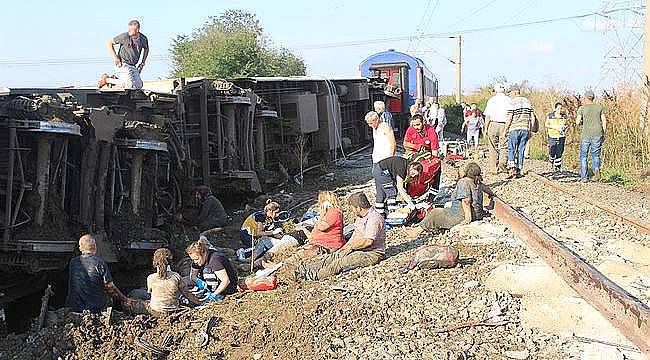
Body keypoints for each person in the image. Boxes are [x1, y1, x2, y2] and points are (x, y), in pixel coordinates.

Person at [296, 192, 385, 281]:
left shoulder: (374, 218)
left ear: (358, 208)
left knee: (339, 264)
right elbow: (355, 236)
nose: (352, 211)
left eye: (353, 208)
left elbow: (368, 241)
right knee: (334, 256)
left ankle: (310, 276)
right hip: (358, 248)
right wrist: (344, 248)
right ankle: (303, 269)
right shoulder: (361, 217)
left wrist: (351, 247)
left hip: (371, 253)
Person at [249, 191, 345, 260]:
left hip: (302, 241)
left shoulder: (333, 213)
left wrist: (320, 215)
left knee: (278, 253)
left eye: (320, 202)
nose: (319, 205)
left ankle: (255, 263)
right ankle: (251, 260)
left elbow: (320, 227)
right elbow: (316, 233)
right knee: (266, 242)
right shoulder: (263, 217)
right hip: (291, 237)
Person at [419, 162, 493, 232]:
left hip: (459, 216)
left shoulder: (463, 182)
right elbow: (486, 188)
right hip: (477, 214)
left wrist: (468, 218)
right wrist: (492, 194)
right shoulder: (477, 181)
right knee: (446, 207)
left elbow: (466, 201)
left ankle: (418, 229)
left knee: (434, 213)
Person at [127, 248, 202, 316]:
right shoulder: (176, 276)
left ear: (154, 262)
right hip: (173, 311)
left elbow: (150, 293)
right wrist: (199, 302)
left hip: (156, 312)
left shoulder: (150, 278)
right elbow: (187, 294)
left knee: (132, 299)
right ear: (170, 261)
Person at [65, 234, 128, 312]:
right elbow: (110, 287)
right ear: (95, 247)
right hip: (95, 309)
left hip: (74, 308)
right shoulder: (100, 263)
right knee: (109, 297)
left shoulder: (73, 263)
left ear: (80, 248)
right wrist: (124, 299)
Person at [99, 20, 149, 90]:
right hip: (122, 64)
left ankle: (116, 79)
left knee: (138, 85)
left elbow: (146, 49)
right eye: (129, 29)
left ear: (137, 30)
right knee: (128, 85)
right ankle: (107, 79)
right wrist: (115, 58)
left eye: (131, 30)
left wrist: (142, 63)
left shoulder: (143, 39)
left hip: (133, 65)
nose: (129, 31)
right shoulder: (125, 36)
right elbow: (110, 43)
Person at [366, 111, 396, 215]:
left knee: (387, 184)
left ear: (376, 120)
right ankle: (380, 212)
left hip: (385, 160)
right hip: (376, 160)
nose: (370, 126)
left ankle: (393, 210)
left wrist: (390, 159)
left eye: (371, 123)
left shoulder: (385, 127)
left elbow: (393, 143)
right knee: (379, 186)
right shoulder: (375, 129)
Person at [503, 86, 536, 178]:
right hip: (525, 128)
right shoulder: (527, 102)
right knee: (521, 149)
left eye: (510, 93)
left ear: (514, 92)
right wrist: (531, 129)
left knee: (511, 148)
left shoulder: (512, 102)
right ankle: (519, 169)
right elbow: (532, 117)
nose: (510, 95)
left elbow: (510, 117)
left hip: (514, 128)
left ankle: (511, 168)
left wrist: (505, 130)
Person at [576, 90, 606, 181]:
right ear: (593, 98)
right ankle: (596, 168)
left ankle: (584, 177)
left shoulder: (582, 108)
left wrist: (582, 122)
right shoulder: (599, 107)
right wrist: (603, 132)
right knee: (595, 155)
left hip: (586, 134)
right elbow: (604, 120)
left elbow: (577, 122)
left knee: (584, 155)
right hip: (597, 133)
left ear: (585, 98)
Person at [483, 83, 512, 174]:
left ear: (495, 90)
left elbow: (488, 116)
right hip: (505, 124)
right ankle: (502, 163)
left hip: (493, 124)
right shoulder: (509, 100)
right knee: (504, 146)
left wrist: (485, 128)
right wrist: (507, 127)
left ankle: (493, 168)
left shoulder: (491, 100)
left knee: (493, 146)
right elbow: (510, 115)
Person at [546, 102, 568, 171]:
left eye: (561, 108)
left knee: (559, 151)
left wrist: (564, 127)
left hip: (561, 135)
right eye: (558, 108)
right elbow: (546, 124)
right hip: (552, 135)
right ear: (555, 109)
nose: (560, 110)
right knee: (552, 150)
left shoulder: (564, 116)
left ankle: (557, 167)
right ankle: (551, 161)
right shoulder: (550, 115)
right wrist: (554, 127)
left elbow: (567, 124)